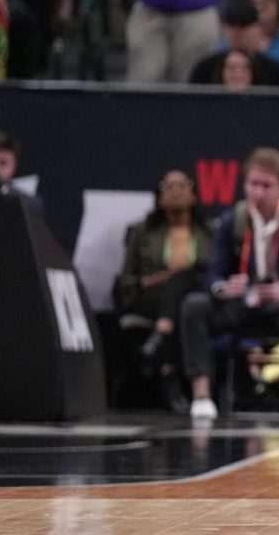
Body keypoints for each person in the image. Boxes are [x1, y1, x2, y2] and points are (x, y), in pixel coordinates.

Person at [179, 149, 279, 422]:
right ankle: (201, 395)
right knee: (195, 305)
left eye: (266, 185)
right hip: (242, 305)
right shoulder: (232, 221)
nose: (258, 192)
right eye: (253, 184)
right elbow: (213, 274)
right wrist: (224, 288)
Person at [113, 170, 216, 409]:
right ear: (159, 198)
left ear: (194, 195)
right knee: (180, 302)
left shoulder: (210, 231)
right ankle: (172, 375)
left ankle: (162, 348)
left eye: (182, 185)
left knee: (185, 292)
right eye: (168, 186)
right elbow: (127, 279)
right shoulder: (142, 231)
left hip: (193, 295)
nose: (176, 191)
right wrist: (155, 280)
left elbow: (214, 273)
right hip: (150, 296)